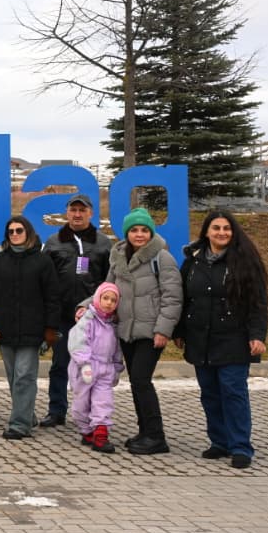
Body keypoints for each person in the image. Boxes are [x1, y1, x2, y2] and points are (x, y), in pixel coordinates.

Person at [176, 210, 268, 469]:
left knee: (233, 392)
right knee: (210, 393)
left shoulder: (245, 261)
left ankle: (240, 446)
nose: (221, 233)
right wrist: (180, 331)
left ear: (233, 231)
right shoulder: (193, 262)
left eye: (226, 228)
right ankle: (219, 442)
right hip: (200, 339)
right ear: (206, 231)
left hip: (234, 340)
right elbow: (185, 299)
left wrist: (257, 335)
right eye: (216, 228)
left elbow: (258, 303)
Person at [101, 207, 183, 455]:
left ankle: (157, 437)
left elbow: (173, 297)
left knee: (141, 379)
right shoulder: (118, 257)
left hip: (151, 331)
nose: (139, 234)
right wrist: (88, 307)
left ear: (151, 232)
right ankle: (144, 431)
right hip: (126, 329)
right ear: (127, 233)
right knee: (136, 382)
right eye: (134, 230)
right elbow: (108, 290)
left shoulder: (162, 258)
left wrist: (163, 330)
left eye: (144, 230)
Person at [0, 215, 61, 440]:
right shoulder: (0, 260)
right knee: (13, 377)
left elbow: (52, 297)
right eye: (11, 231)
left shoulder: (42, 261)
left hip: (32, 330)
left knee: (24, 375)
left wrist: (50, 328)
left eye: (19, 230)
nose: (15, 234)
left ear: (29, 232)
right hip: (4, 329)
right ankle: (27, 414)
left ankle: (19, 424)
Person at [40, 193, 113, 428]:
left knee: (92, 367)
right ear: (67, 213)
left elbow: (109, 280)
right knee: (60, 365)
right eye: (74, 210)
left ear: (91, 213)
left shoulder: (103, 243)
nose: (78, 214)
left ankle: (91, 411)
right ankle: (56, 410)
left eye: (83, 210)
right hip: (62, 316)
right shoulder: (54, 242)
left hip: (93, 318)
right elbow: (45, 278)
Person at [68, 282, 123, 453]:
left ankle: (100, 434)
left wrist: (116, 367)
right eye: (105, 298)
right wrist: (84, 363)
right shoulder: (88, 320)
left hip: (105, 369)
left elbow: (116, 350)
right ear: (98, 299)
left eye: (113, 300)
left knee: (103, 402)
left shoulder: (113, 325)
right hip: (85, 367)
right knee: (81, 404)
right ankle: (86, 430)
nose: (109, 303)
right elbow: (77, 341)